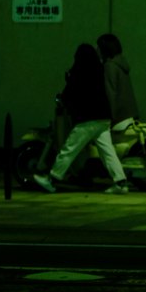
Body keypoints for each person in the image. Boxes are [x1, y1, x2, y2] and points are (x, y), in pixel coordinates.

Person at [33, 43, 129, 195]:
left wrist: (63, 98)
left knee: (69, 149)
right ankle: (121, 182)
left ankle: (52, 179)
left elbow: (70, 91)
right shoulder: (98, 69)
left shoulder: (80, 70)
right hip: (103, 118)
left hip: (88, 119)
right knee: (107, 152)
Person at [98, 32, 139, 135]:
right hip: (130, 116)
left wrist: (109, 119)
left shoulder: (109, 66)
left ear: (104, 49)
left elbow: (110, 94)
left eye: (98, 47)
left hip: (119, 119)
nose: (96, 50)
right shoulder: (121, 64)